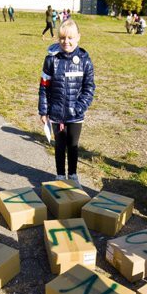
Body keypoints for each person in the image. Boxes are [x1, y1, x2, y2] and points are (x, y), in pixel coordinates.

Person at [38, 19, 95, 183]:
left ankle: (73, 175)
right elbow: (44, 87)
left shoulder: (84, 60)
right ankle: (60, 175)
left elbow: (89, 88)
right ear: (58, 38)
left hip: (75, 115)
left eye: (70, 38)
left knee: (73, 145)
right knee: (59, 146)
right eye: (62, 38)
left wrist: (79, 108)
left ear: (78, 37)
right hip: (56, 113)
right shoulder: (51, 60)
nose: (66, 42)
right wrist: (43, 111)